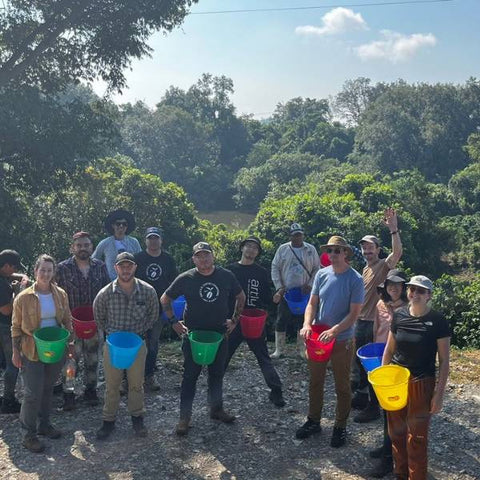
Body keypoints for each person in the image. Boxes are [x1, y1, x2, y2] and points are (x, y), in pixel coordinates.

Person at [161, 242, 246, 436]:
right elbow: (165, 299)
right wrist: (174, 322)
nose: (203, 259)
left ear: (213, 256)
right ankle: (184, 418)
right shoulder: (186, 278)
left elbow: (241, 297)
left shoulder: (226, 276)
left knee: (217, 374)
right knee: (190, 376)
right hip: (194, 336)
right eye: (199, 256)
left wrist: (234, 321)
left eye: (206, 255)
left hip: (219, 334)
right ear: (194, 259)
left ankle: (216, 409)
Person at [296, 236, 364, 448]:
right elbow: (312, 304)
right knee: (316, 382)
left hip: (341, 340)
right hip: (318, 338)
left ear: (345, 253)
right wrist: (307, 324)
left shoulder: (355, 279)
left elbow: (354, 314)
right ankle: (314, 421)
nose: (332, 254)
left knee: (342, 386)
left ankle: (340, 427)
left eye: (337, 250)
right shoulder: (321, 274)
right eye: (330, 251)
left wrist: (335, 331)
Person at [382, 275, 450, 480]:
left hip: (422, 382)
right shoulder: (400, 315)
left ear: (429, 295)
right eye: (412, 289)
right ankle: (400, 473)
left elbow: (444, 361)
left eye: (421, 291)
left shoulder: (438, 321)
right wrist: (383, 381)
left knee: (417, 437)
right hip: (395, 380)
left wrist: (438, 395)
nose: (415, 294)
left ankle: (416, 476)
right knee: (396, 432)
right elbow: (389, 349)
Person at [11, 254, 74, 453]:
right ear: (35, 271)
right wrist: (15, 352)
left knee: (48, 389)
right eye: (42, 270)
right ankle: (28, 435)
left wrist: (70, 345)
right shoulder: (23, 297)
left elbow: (67, 320)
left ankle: (44, 425)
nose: (46, 274)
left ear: (54, 272)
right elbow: (15, 327)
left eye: (49, 270)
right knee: (31, 393)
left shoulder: (61, 294)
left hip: (54, 349)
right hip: (31, 350)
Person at [93, 252, 159, 440]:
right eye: (122, 266)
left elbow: (153, 316)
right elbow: (99, 318)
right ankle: (108, 421)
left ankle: (137, 418)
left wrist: (137, 334)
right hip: (113, 345)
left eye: (129, 265)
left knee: (136, 384)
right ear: (116, 268)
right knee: (112, 385)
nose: (126, 269)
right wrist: (114, 334)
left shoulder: (148, 291)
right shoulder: (105, 294)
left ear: (135, 267)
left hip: (137, 345)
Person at [352, 207, 403, 423]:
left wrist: (393, 230)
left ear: (378, 249)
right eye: (364, 248)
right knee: (361, 363)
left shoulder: (383, 265)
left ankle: (374, 406)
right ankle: (364, 397)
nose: (367, 251)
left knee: (374, 365)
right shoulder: (365, 269)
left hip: (375, 325)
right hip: (360, 322)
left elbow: (397, 253)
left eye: (370, 248)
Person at [225, 236, 285, 408]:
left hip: (254, 321)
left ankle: (276, 391)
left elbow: (266, 297)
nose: (251, 250)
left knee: (263, 357)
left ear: (257, 253)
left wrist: (275, 297)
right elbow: (224, 295)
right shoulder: (230, 270)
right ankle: (214, 392)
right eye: (248, 246)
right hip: (234, 320)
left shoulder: (261, 272)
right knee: (224, 356)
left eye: (255, 248)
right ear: (242, 248)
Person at [56, 231, 110, 410]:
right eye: (79, 245)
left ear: (92, 247)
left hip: (94, 323)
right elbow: (54, 293)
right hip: (71, 323)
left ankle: (90, 390)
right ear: (73, 248)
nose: (83, 248)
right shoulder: (62, 268)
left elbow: (107, 292)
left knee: (93, 359)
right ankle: (69, 393)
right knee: (71, 360)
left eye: (86, 245)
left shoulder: (100, 267)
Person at [368, 269, 408, 478]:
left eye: (398, 285)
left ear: (403, 288)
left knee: (395, 412)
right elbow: (376, 331)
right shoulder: (380, 305)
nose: (394, 288)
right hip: (381, 361)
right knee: (386, 410)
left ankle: (389, 458)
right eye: (390, 284)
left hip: (399, 363)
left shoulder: (408, 309)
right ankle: (386, 449)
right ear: (385, 287)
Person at [134, 227, 177, 392]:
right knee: (134, 342)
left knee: (152, 343)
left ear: (161, 240)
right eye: (150, 238)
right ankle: (127, 377)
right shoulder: (137, 258)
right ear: (145, 240)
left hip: (159, 308)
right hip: (137, 307)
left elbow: (175, 282)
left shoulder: (168, 259)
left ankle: (149, 376)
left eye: (156, 238)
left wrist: (173, 306)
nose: (153, 241)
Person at [271, 223, 320, 358]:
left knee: (303, 321)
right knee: (281, 319)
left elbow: (317, 268)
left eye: (299, 234)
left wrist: (310, 284)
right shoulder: (283, 249)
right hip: (287, 292)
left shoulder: (310, 249)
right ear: (290, 236)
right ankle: (278, 350)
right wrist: (279, 287)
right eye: (294, 235)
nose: (297, 237)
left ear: (303, 235)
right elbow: (275, 267)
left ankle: (301, 350)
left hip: (305, 293)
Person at [0, 250, 27, 414]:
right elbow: (6, 310)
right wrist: (17, 292)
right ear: (7, 265)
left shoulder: (4, 277)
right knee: (13, 364)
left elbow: (15, 276)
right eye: (13, 267)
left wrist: (21, 278)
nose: (14, 270)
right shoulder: (1, 285)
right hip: (4, 327)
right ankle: (8, 401)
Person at [92, 209, 141, 281]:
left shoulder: (134, 242)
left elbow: (140, 261)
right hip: (111, 283)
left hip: (131, 282)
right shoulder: (105, 243)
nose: (121, 226)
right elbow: (93, 261)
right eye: (118, 224)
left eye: (124, 224)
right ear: (113, 225)